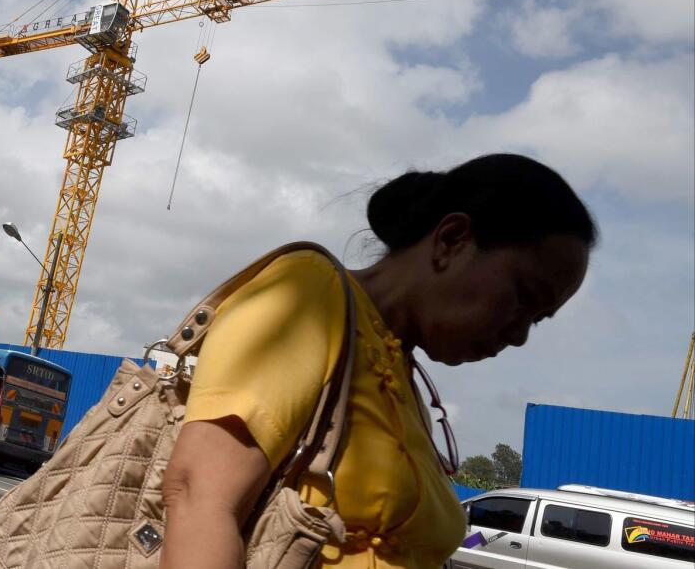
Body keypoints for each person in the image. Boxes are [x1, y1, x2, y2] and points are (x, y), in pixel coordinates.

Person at [160, 153, 596, 569]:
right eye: (523, 296)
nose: (519, 336)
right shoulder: (308, 294)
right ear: (451, 239)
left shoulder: (403, 377)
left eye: (538, 320)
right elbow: (198, 496)